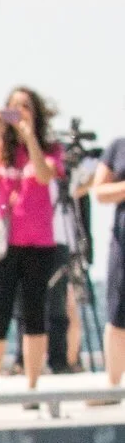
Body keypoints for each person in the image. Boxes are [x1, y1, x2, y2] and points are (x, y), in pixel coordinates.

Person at [0, 87, 67, 392]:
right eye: (13, 107)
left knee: (35, 315)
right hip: (4, 243)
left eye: (25, 107)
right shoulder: (1, 147)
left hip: (38, 243)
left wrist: (30, 138)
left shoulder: (51, 148)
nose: (19, 113)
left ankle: (32, 387)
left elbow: (45, 176)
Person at [82, 128, 125, 388]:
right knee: (118, 313)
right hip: (122, 244)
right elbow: (99, 191)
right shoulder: (118, 146)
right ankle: (113, 384)